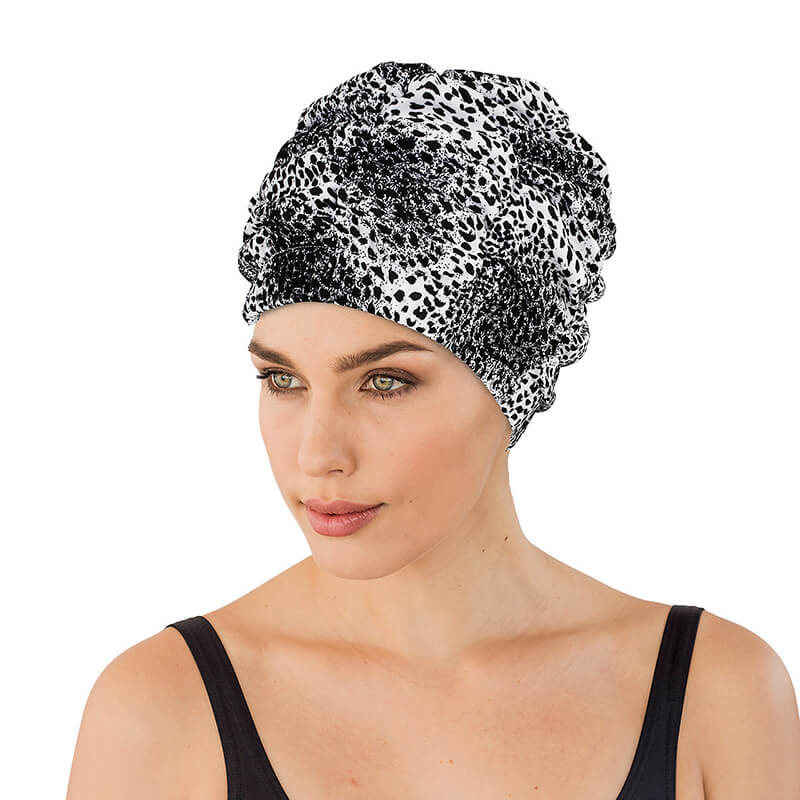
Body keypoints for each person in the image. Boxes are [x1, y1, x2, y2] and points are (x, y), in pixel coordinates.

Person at [66, 62, 800, 799]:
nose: (317, 454)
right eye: (283, 380)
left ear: (516, 375)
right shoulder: (159, 709)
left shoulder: (717, 695)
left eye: (385, 382)